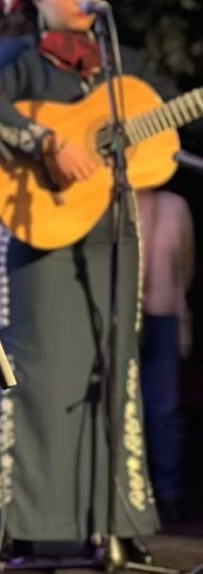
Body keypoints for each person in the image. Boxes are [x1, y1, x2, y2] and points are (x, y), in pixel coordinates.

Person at [0, 0, 162, 563]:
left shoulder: (124, 66)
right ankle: (30, 523)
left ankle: (114, 522)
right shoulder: (18, 57)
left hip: (112, 235)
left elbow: (161, 127)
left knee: (115, 372)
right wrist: (48, 140)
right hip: (38, 239)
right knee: (36, 378)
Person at [137, 186, 195, 523]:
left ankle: (167, 494)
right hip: (120, 318)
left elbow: (185, 266)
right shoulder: (111, 199)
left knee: (163, 408)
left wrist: (180, 316)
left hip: (163, 316)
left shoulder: (176, 206)